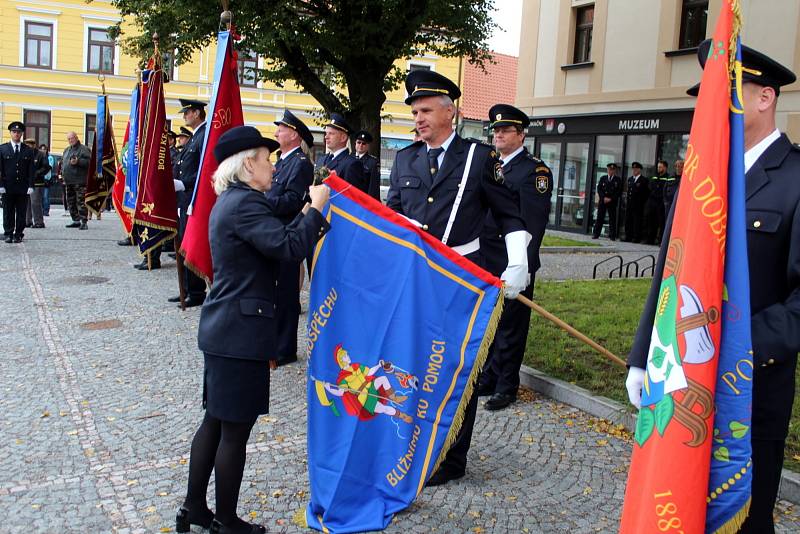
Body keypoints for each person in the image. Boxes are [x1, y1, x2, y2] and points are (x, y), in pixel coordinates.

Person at [625, 41, 800, 534]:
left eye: (723, 94)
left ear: (764, 98)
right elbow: (669, 273)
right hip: (677, 382)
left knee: (743, 520)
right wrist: (643, 354)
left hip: (749, 388)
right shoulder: (700, 177)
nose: (709, 110)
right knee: (675, 507)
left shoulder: (795, 178)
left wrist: (737, 346)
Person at [177, 125, 330, 534]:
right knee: (234, 429)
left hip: (227, 329)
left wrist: (303, 217)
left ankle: (194, 507)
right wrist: (315, 209)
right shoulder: (245, 204)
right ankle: (225, 520)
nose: (273, 168)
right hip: (239, 332)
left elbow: (276, 238)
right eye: (266, 160)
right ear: (248, 164)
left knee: (216, 420)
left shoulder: (236, 201)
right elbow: (287, 248)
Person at [386, 69, 528, 486]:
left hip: (459, 281)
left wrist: (516, 262)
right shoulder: (406, 158)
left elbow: (509, 213)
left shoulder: (478, 157)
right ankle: (412, 444)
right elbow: (393, 216)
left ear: (452, 112)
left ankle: (450, 457)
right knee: (412, 363)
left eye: (426, 110)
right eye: (414, 112)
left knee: (453, 368)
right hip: (417, 281)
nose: (418, 119)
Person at [477, 104, 553, 411]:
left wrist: (524, 266)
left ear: (521, 135)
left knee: (511, 326)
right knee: (490, 324)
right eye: (495, 130)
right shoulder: (490, 165)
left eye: (505, 130)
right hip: (487, 258)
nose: (498, 135)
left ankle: (507, 385)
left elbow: (533, 222)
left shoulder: (534, 172)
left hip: (514, 260)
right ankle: (490, 376)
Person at [267, 109, 315, 367]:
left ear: (294, 134)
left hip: (288, 233)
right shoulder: (282, 160)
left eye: (281, 129)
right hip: (274, 233)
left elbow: (294, 200)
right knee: (274, 292)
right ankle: (274, 343)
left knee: (286, 293)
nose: (276, 133)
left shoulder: (300, 163)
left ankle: (284, 349)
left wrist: (263, 202)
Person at [164, 99, 207, 302]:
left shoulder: (203, 135)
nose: (185, 116)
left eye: (187, 112)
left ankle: (196, 292)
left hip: (193, 197)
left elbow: (203, 169)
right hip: (185, 198)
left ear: (197, 113)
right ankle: (187, 289)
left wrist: (184, 183)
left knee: (191, 244)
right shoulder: (194, 138)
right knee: (183, 242)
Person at [0, 121, 35, 243]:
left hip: (22, 187)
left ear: (22, 134)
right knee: (8, 211)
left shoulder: (28, 150)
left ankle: (19, 233)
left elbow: (31, 169)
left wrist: (31, 185)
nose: (16, 134)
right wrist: (1, 185)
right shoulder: (3, 149)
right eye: (14, 132)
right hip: (7, 186)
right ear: (10, 133)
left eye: (18, 132)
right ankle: (8, 233)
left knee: (21, 212)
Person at [315, 113, 368, 193]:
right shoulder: (321, 159)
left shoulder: (352, 164)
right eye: (326, 133)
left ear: (343, 138)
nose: (326, 137)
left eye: (331, 133)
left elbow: (353, 197)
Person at [61, 131, 91, 230]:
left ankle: (84, 221)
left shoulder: (84, 149)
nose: (70, 140)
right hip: (68, 181)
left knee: (81, 202)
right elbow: (63, 163)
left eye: (72, 138)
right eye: (68, 139)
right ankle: (76, 220)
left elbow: (90, 163)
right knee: (70, 202)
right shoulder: (67, 150)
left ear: (76, 137)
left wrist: (78, 162)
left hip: (80, 181)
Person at [24, 138, 51, 229]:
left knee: (35, 202)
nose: (28, 146)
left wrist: (36, 173)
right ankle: (27, 221)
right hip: (26, 183)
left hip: (37, 183)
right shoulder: (25, 154)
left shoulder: (40, 155)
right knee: (26, 203)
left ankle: (39, 222)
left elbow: (46, 167)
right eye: (27, 144)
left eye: (30, 144)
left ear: (34, 145)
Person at [592, 163, 622, 240]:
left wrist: (611, 198)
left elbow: (618, 192)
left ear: (614, 170)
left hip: (612, 202)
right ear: (607, 170)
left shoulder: (618, 180)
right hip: (603, 201)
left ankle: (612, 236)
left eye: (612, 170)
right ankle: (596, 234)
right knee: (600, 218)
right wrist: (603, 197)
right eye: (609, 169)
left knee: (612, 219)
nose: (610, 171)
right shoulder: (603, 178)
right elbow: (599, 189)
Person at [642, 159, 668, 245]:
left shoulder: (668, 177)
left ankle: (660, 240)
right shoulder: (654, 176)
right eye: (658, 167)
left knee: (660, 222)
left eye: (660, 167)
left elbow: (664, 189)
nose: (658, 169)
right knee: (650, 221)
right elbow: (650, 186)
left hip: (661, 202)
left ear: (665, 168)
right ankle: (649, 239)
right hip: (652, 201)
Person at [623, 162, 648, 243]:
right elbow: (628, 191)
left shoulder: (643, 180)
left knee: (637, 221)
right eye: (633, 169)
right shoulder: (630, 179)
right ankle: (628, 236)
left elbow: (645, 193)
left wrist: (641, 203)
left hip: (638, 204)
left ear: (640, 170)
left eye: (636, 169)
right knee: (628, 220)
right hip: (630, 203)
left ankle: (636, 237)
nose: (634, 170)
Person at [353, 130, 381, 200]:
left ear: (368, 146)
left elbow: (373, 187)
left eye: (364, 143)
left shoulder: (373, 162)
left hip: (362, 200)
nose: (360, 145)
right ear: (355, 143)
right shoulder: (348, 158)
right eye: (359, 142)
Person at [41, 144, 54, 217]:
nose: (43, 150)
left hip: (46, 179)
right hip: (40, 179)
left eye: (44, 149)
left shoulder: (50, 158)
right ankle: (41, 210)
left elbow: (49, 167)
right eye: (41, 149)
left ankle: (46, 211)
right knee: (40, 196)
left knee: (46, 196)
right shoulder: (39, 157)